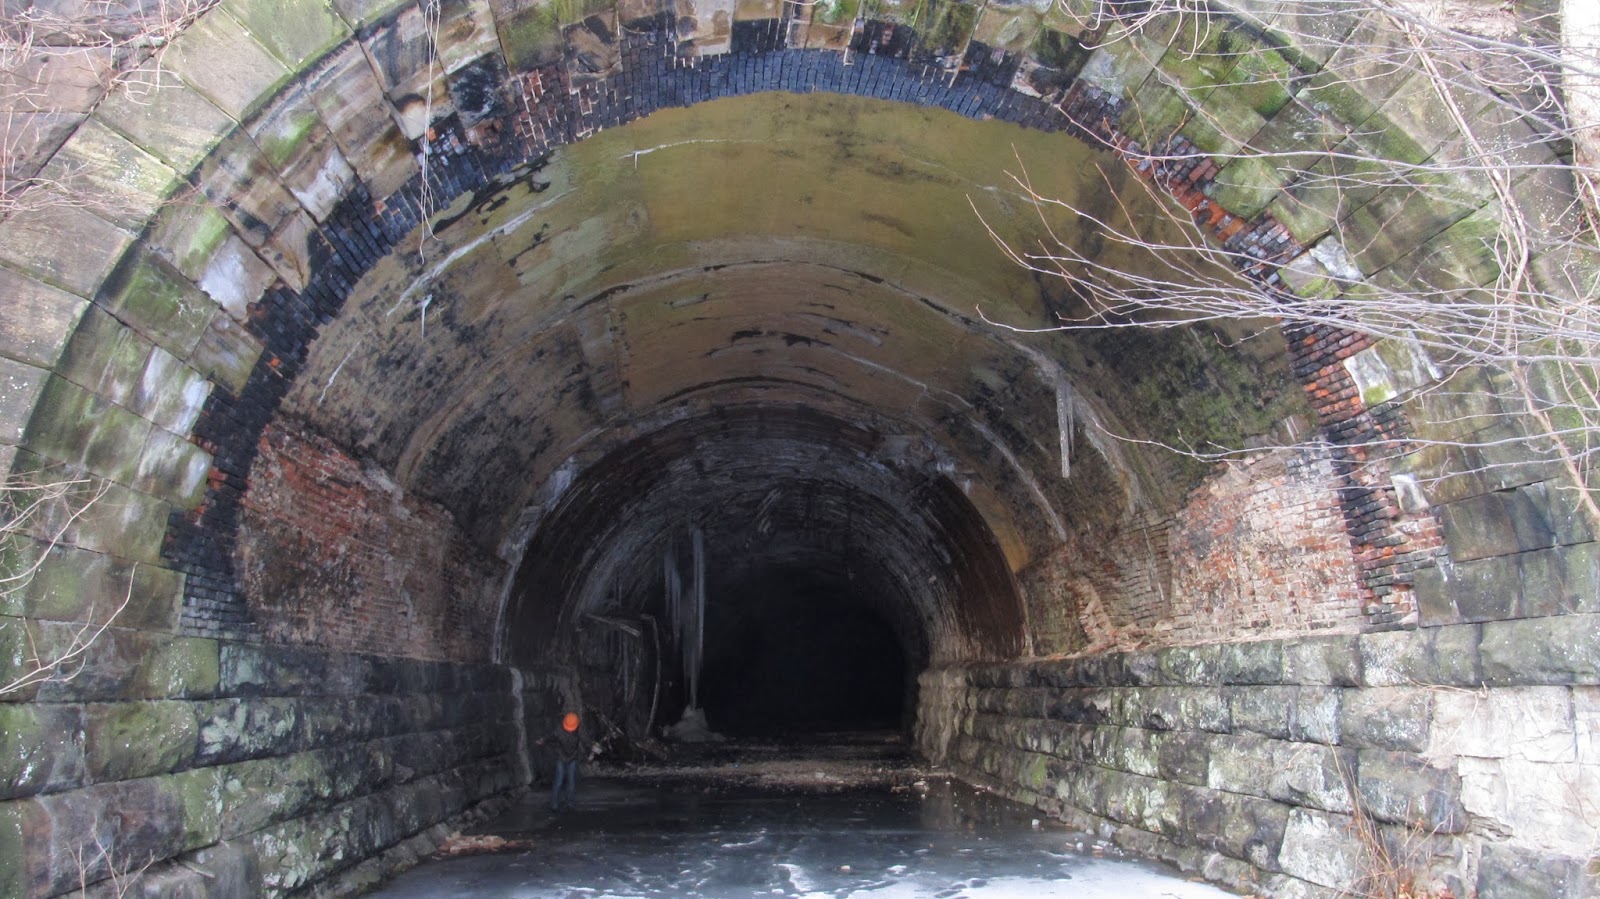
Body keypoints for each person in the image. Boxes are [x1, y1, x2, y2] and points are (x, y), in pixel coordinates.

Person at [550, 711, 583, 811]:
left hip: (571, 758)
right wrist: (543, 740)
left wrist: (592, 746)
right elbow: (550, 737)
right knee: (559, 781)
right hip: (561, 758)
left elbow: (585, 739)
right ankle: (555, 804)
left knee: (570, 782)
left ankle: (569, 803)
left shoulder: (578, 731)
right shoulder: (558, 731)